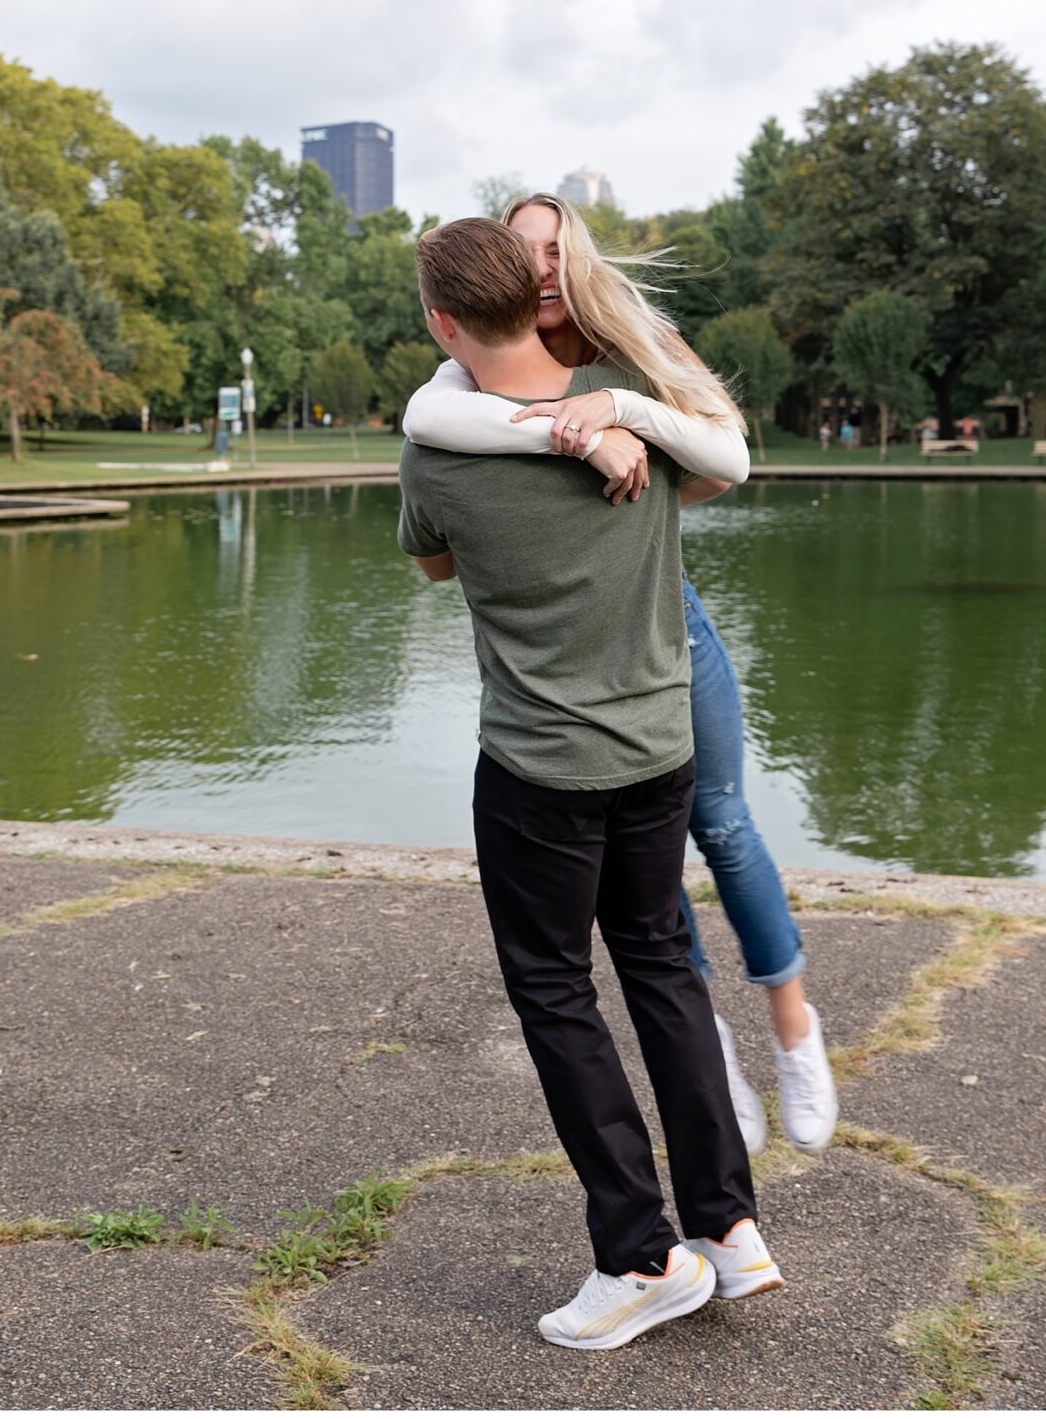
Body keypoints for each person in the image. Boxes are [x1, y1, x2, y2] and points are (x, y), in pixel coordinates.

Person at [397, 218, 778, 1351]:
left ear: (441, 324)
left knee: (558, 995)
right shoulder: (634, 403)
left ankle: (638, 1254)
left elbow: (430, 563)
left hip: (538, 770)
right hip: (659, 753)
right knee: (660, 966)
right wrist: (599, 432)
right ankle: (728, 1225)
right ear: (543, 293)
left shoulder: (438, 454)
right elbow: (709, 471)